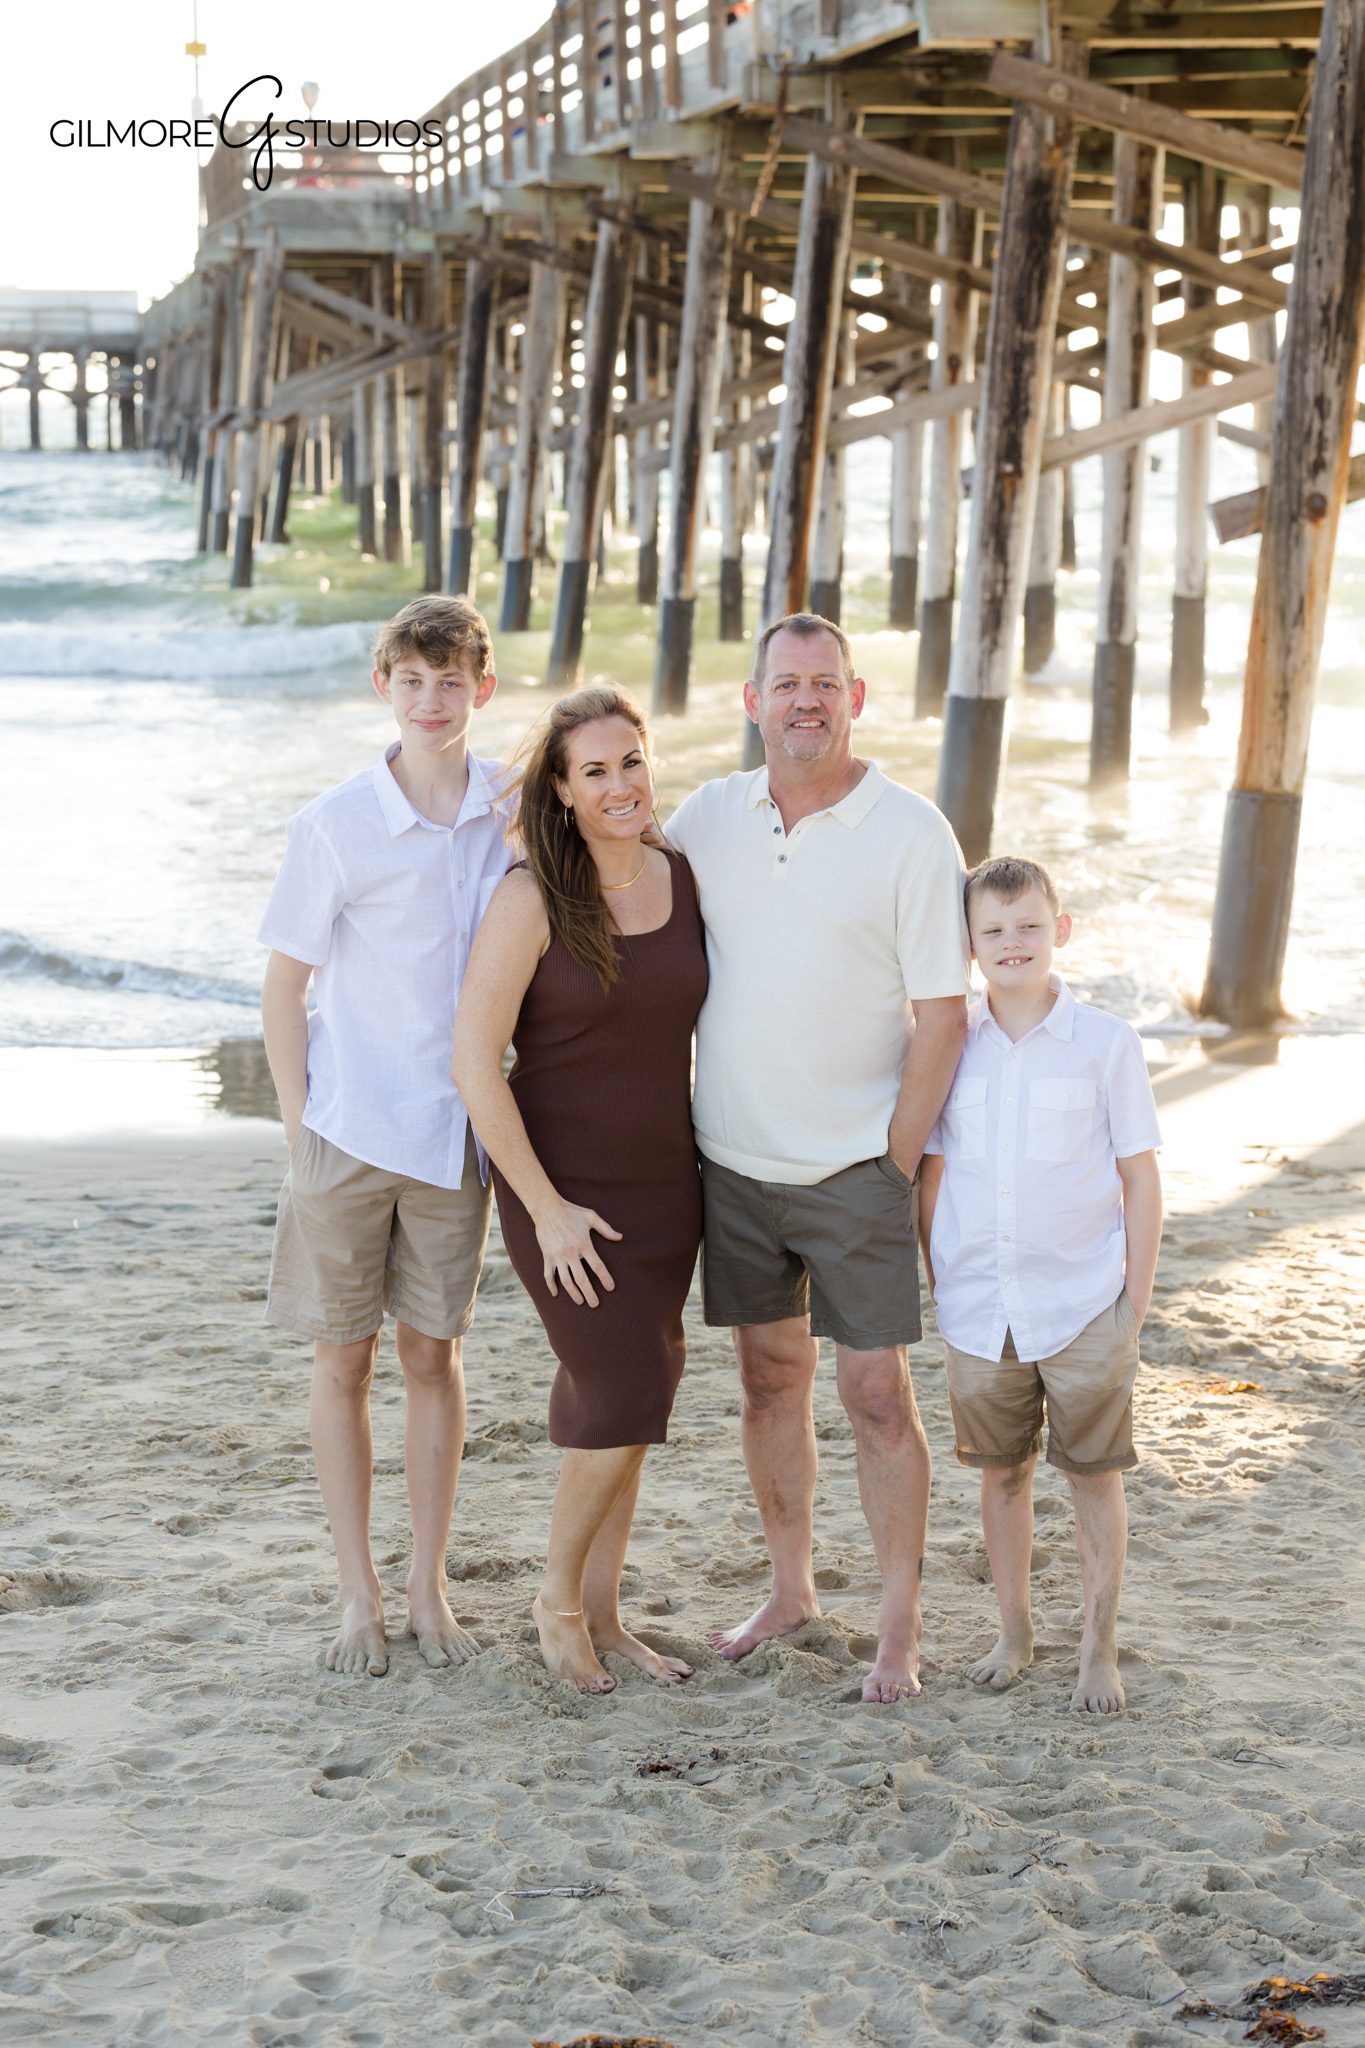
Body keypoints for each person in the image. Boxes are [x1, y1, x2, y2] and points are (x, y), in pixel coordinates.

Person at [666, 614, 969, 1704]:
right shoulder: (706, 817)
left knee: (878, 1390)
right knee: (767, 1377)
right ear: (751, 700)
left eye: (826, 683)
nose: (806, 700)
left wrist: (894, 1161)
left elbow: (944, 1014)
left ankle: (900, 1626)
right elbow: (611, 886)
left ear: (858, 697)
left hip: (857, 1167)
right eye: (786, 683)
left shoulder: (912, 831)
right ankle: (790, 1588)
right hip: (735, 1160)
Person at [258, 596, 510, 1679]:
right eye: (412, 679)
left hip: (455, 1128)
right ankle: (358, 1588)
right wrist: (296, 1119)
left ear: (481, 691)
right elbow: (284, 983)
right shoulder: (336, 822)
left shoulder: (511, 802)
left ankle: (427, 1582)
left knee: (432, 1353)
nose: (432, 698)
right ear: (384, 689)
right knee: (341, 1354)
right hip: (348, 1125)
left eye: (451, 681)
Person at [452, 686, 707, 1697]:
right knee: (621, 1388)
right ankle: (556, 1601)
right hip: (559, 1186)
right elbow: (475, 1060)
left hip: (665, 1184)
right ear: (558, 790)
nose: (619, 785)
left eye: (631, 761)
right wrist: (547, 1206)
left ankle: (605, 1610)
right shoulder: (530, 898)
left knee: (640, 1405)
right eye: (593, 770)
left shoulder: (684, 877)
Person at [917, 856, 1163, 1714]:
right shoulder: (949, 1046)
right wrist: (939, 1279)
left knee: (1093, 1474)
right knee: (1002, 1475)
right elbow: (933, 1174)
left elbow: (1139, 1175)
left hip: (1085, 1301)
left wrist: (1132, 1299)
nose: (1011, 942)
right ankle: (1014, 1631)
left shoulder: (1106, 1043)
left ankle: (1098, 1649)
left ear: (1059, 931)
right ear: (970, 946)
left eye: (1027, 925)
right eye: (992, 930)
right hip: (979, 1306)